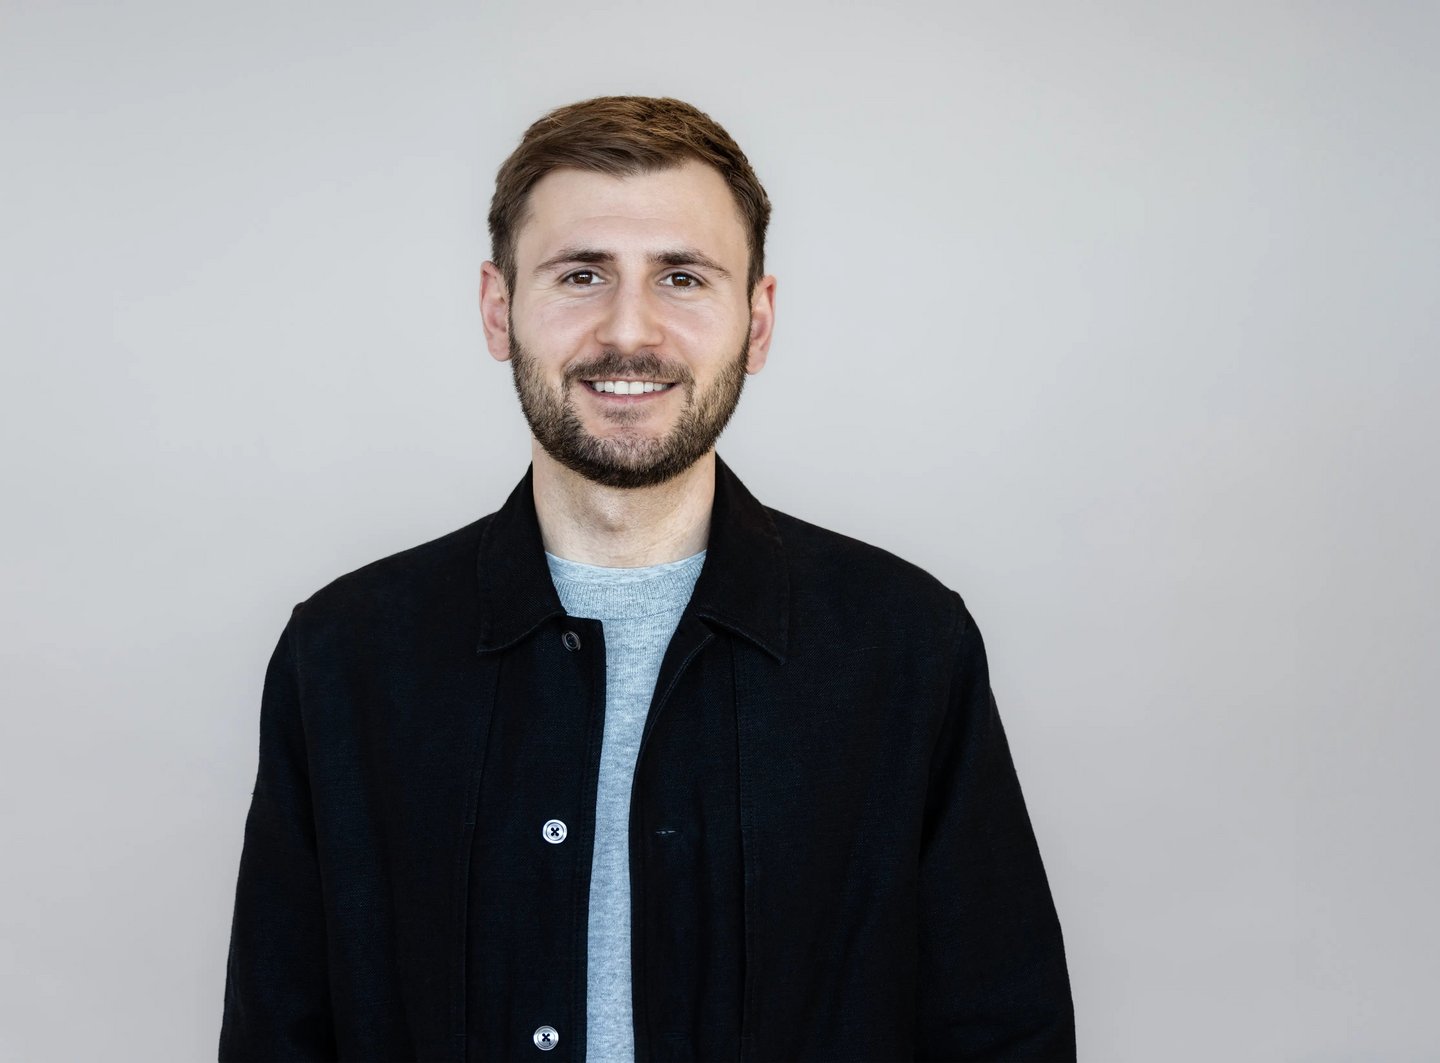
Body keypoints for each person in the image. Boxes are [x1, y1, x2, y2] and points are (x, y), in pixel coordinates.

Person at [219, 95, 1075, 1062]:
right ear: (499, 309)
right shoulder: (344, 660)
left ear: (757, 321)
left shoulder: (906, 649)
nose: (630, 331)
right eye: (581, 274)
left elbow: (1007, 1037)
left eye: (682, 276)